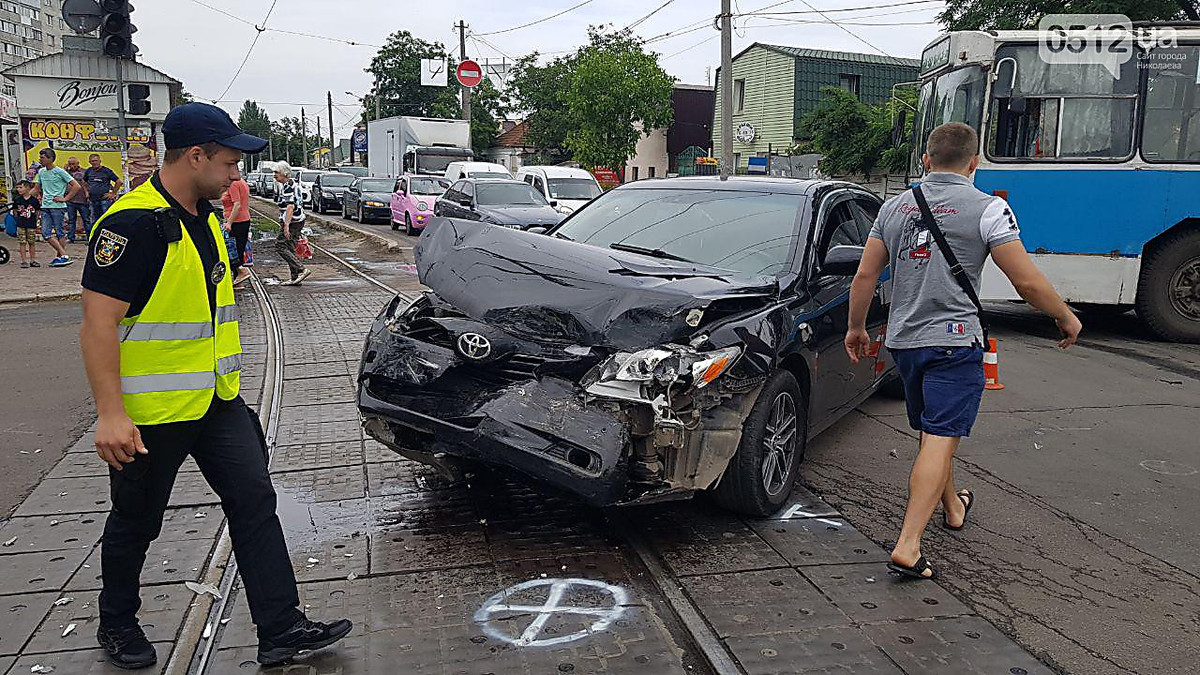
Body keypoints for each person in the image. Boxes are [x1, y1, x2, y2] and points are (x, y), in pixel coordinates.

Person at [78, 102, 351, 670]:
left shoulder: (203, 217)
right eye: (229, 163)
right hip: (152, 413)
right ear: (194, 156)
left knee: (254, 502)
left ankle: (280, 628)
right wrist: (110, 414)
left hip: (219, 403)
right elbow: (98, 323)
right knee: (137, 521)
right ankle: (117, 623)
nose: (236, 177)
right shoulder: (132, 225)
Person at [844, 122, 1082, 581]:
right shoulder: (990, 209)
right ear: (974, 163)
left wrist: (857, 328)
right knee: (939, 436)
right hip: (955, 342)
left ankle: (953, 506)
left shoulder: (893, 208)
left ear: (927, 161)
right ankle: (909, 544)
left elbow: (864, 278)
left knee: (936, 431)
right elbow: (1026, 281)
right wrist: (1065, 316)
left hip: (906, 344)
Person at [32, 147, 83, 267]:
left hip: (57, 206)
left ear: (50, 159)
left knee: (59, 232)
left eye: (43, 157)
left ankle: (60, 257)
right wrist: (24, 197)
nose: (40, 159)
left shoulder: (60, 171)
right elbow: (36, 188)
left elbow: (76, 186)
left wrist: (65, 198)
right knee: (46, 233)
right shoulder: (41, 172)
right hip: (45, 206)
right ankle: (64, 255)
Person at [271, 162, 310, 286]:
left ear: (284, 174)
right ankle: (295, 277)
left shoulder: (288, 186)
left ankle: (301, 269)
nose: (274, 175)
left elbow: (290, 207)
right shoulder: (292, 184)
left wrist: (286, 224)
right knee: (290, 247)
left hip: (292, 221)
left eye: (276, 173)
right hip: (298, 220)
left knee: (280, 246)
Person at [221, 173, 252, 286]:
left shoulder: (233, 184)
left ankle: (241, 271)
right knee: (238, 250)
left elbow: (237, 204)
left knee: (230, 250)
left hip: (236, 222)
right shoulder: (242, 182)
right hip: (243, 220)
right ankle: (238, 280)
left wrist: (229, 222)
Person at [84, 153, 123, 223]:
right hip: (92, 200)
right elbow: (84, 182)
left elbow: (119, 182)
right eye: (92, 161)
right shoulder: (89, 171)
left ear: (100, 161)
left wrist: (113, 193)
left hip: (104, 200)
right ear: (89, 162)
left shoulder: (106, 171)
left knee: (105, 220)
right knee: (94, 220)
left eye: (96, 160)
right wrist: (86, 192)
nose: (94, 162)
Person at [12, 180, 41, 268]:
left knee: (32, 242)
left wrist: (36, 222)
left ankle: (32, 260)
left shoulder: (34, 200)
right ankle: (24, 261)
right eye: (17, 188)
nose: (19, 190)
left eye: (21, 187)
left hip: (31, 224)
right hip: (20, 224)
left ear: (28, 188)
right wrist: (17, 220)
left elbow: (37, 212)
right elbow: (15, 211)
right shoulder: (17, 200)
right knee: (22, 242)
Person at [65, 156, 93, 243]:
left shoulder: (84, 172)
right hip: (70, 200)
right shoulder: (66, 173)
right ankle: (70, 237)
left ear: (78, 163)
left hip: (83, 200)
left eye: (73, 164)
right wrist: (65, 170)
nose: (71, 166)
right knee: (71, 220)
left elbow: (88, 184)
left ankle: (90, 238)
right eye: (70, 164)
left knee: (86, 220)